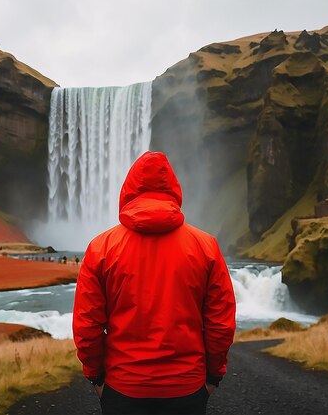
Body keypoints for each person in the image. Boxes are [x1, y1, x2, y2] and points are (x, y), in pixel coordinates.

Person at [73, 151, 236, 415]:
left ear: (128, 190)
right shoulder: (206, 246)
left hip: (123, 387)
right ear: (173, 189)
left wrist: (96, 377)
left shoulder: (100, 248)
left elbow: (87, 324)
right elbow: (220, 322)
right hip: (186, 387)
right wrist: (213, 376)